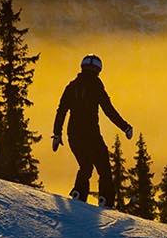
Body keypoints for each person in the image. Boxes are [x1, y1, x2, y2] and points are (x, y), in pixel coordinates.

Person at [53, 54, 133, 207]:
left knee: (85, 165)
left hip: (73, 134)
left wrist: (57, 134)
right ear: (98, 70)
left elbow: (61, 111)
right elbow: (109, 111)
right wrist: (126, 127)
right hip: (91, 134)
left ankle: (78, 193)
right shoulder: (96, 86)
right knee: (104, 167)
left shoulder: (71, 86)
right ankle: (105, 199)